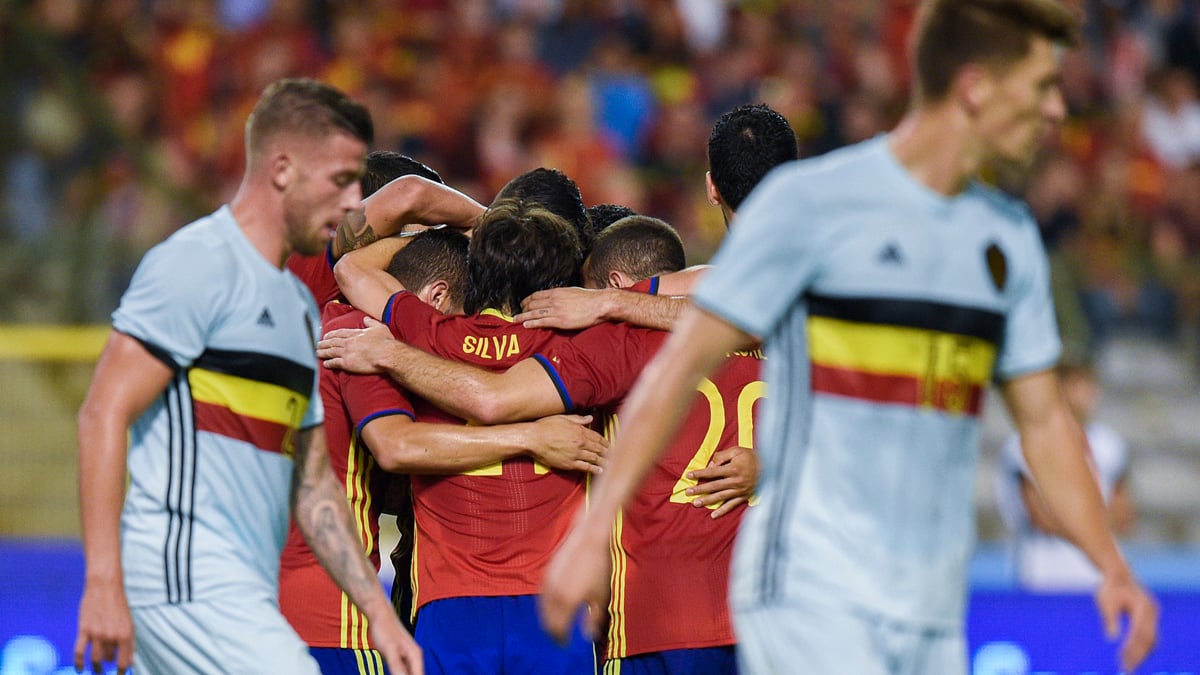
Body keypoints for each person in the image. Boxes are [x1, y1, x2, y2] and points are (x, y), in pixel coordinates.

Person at [537, 2, 1159, 674]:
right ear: (977, 85)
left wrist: (1110, 562)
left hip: (928, 606)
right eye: (1041, 86)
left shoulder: (1008, 242)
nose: (1058, 112)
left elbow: (1044, 423)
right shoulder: (818, 207)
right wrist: (593, 532)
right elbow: (682, 362)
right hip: (808, 595)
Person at [73, 78, 421, 675]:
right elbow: (102, 413)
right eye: (340, 183)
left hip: (246, 590)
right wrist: (102, 581)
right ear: (282, 169)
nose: (351, 208)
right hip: (184, 578)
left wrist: (379, 615)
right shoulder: (195, 264)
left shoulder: (294, 308)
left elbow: (314, 488)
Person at [319, 215, 760, 674]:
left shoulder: (425, 333)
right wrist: (610, 303)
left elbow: (350, 267)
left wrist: (452, 227)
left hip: (451, 606)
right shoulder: (578, 343)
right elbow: (739, 317)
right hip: (554, 610)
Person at [280, 228, 608, 674]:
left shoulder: (275, 328)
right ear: (436, 296)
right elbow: (396, 446)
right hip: (331, 615)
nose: (457, 337)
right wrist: (532, 437)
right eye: (458, 315)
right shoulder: (362, 336)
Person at [515, 102, 799, 332]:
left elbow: (749, 310)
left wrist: (608, 304)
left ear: (712, 189)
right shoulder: (717, 281)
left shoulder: (796, 276)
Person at [995, 358, 1137, 592]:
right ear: (1058, 388)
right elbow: (1040, 516)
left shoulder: (1111, 444)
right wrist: (1095, 529)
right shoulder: (1023, 444)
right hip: (1044, 569)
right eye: (1077, 383)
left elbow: (1123, 512)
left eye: (1090, 384)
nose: (1088, 392)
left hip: (1098, 573)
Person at [285, 150, 484, 307]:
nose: (437, 251)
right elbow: (411, 193)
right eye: (431, 222)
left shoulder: (395, 302)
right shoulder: (314, 255)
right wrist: (500, 224)